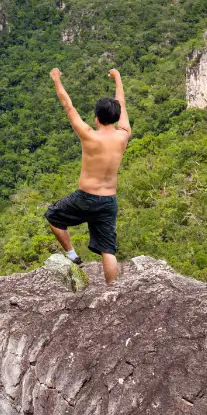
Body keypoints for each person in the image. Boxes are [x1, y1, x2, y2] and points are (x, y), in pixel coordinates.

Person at [45, 67, 130, 284]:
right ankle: (112, 292)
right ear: (116, 116)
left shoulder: (89, 136)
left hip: (85, 197)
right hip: (109, 200)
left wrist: (56, 79)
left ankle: (72, 255)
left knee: (54, 216)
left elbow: (68, 105)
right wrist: (118, 78)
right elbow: (122, 104)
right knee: (108, 250)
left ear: (96, 117)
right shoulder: (123, 136)